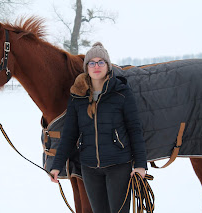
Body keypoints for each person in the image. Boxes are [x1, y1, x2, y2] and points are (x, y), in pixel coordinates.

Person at [49, 42, 148, 213]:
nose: (96, 66)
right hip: (89, 168)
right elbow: (69, 134)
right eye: (92, 62)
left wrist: (140, 165)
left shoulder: (121, 92)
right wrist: (57, 164)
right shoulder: (77, 96)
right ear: (86, 67)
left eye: (101, 62)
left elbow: (134, 129)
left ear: (108, 66)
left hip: (118, 165)